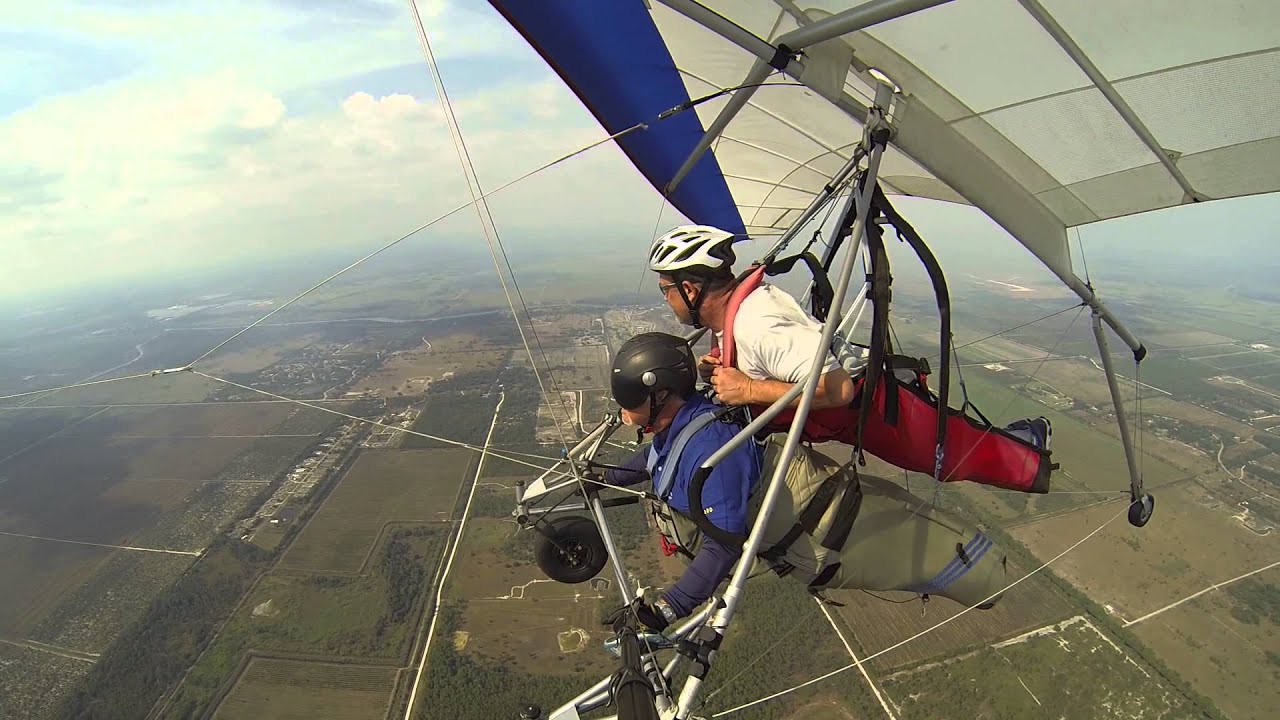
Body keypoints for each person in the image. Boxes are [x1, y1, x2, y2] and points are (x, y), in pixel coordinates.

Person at [600, 332, 1008, 632]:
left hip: (832, 538)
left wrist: (669, 608)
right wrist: (601, 477)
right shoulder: (683, 425)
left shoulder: (712, 449)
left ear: (661, 397)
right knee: (930, 541)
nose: (623, 414)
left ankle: (992, 576)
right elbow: (657, 459)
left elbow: (722, 544)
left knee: (969, 567)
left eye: (630, 403)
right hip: (823, 520)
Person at [647, 224, 1053, 494]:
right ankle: (1021, 438)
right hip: (861, 416)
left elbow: (838, 389)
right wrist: (728, 370)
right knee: (957, 451)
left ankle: (1031, 442)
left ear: (690, 289)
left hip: (876, 411)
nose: (666, 299)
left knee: (955, 459)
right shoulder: (737, 320)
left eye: (666, 289)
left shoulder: (757, 323)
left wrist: (749, 389)